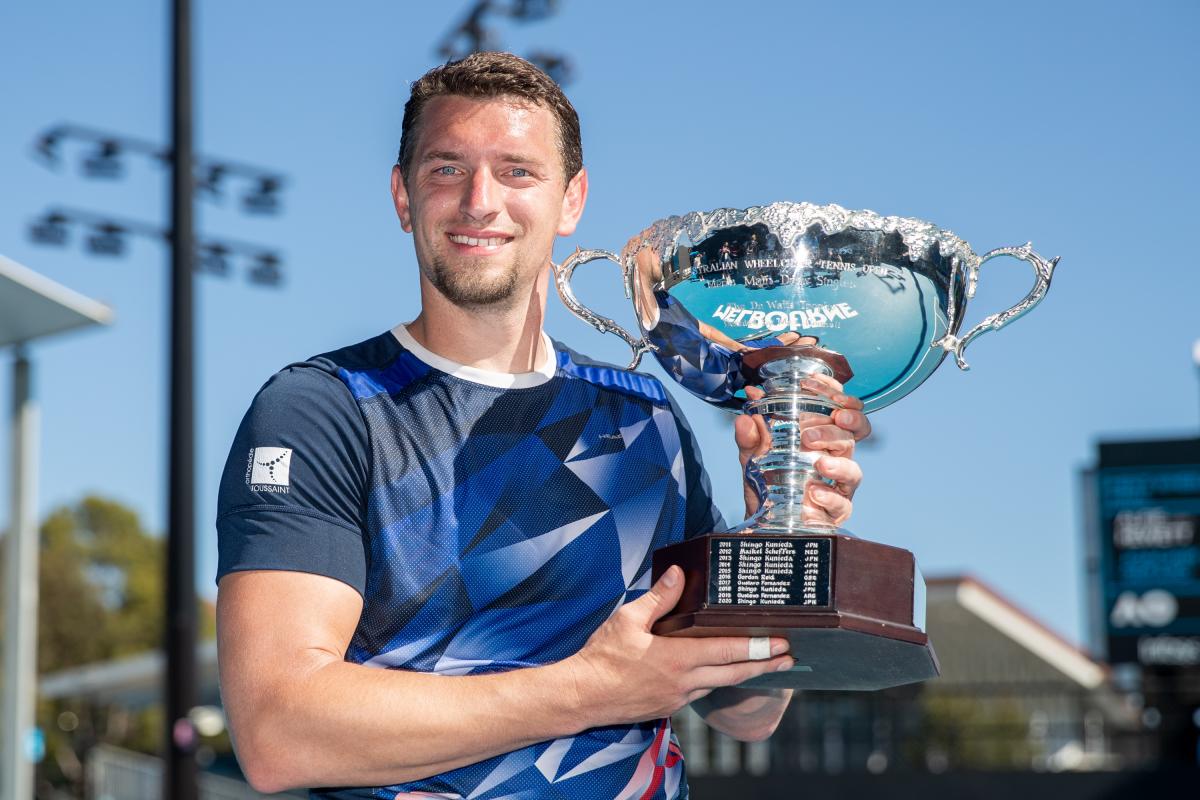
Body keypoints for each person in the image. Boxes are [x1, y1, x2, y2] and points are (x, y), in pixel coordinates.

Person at [215, 52, 869, 799]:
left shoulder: (644, 420)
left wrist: (777, 528)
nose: (479, 201)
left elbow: (746, 710)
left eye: (518, 171)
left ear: (571, 200)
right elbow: (279, 733)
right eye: (445, 169)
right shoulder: (323, 409)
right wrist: (591, 690)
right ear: (403, 196)